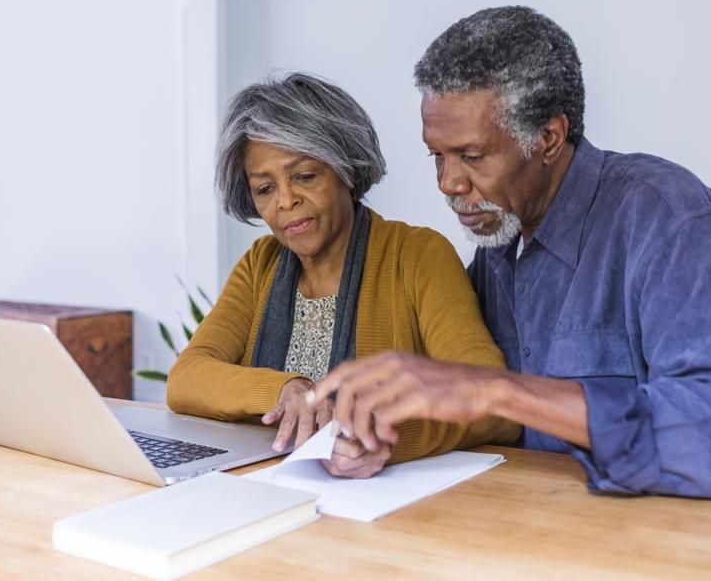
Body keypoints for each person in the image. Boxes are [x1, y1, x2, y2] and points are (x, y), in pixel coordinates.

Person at [309, 6, 711, 497]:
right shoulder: (497, 247)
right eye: (438, 154)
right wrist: (385, 435)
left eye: (472, 156)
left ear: (548, 138)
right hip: (541, 532)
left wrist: (496, 391)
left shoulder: (664, 214)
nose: (448, 183)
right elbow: (469, 413)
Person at [166, 72, 519, 478]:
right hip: (270, 493)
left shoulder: (419, 256)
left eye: (305, 176)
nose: (286, 201)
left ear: (346, 169)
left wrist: (383, 438)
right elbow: (186, 378)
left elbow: (492, 400)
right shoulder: (259, 264)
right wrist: (285, 389)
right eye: (265, 189)